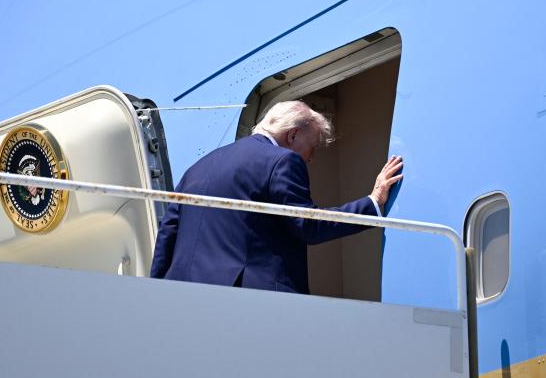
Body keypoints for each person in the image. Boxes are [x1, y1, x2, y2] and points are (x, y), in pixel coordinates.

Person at [150, 100, 403, 294]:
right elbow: (308, 225)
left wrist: (156, 293)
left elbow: (167, 236)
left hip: (184, 298)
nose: (311, 158)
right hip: (250, 301)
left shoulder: (196, 169)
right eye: (312, 146)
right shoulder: (283, 160)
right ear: (292, 135)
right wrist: (373, 203)